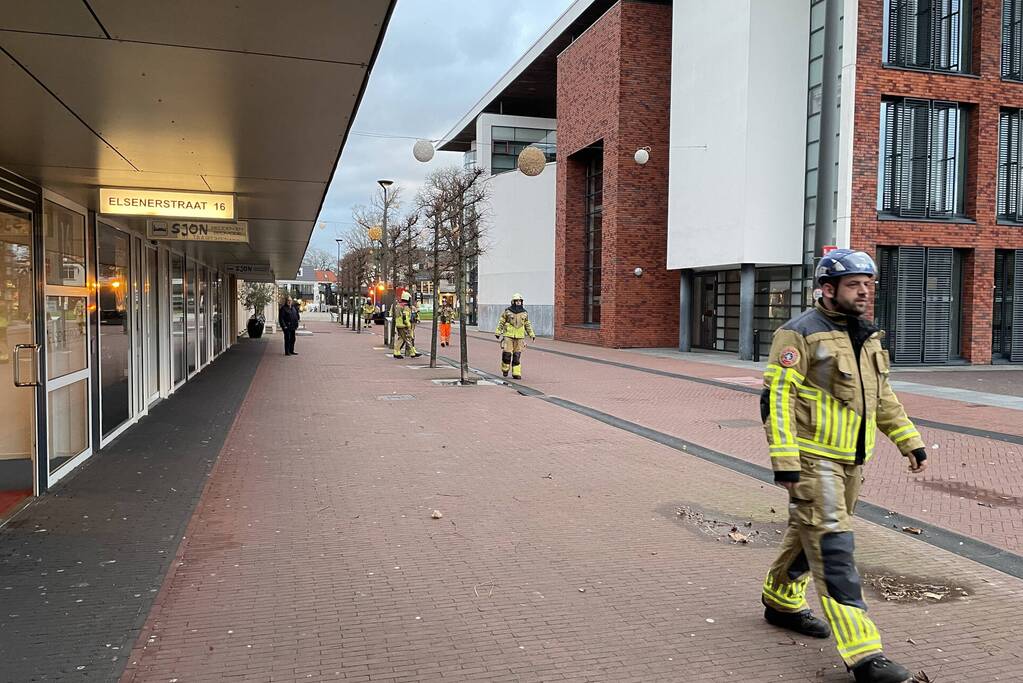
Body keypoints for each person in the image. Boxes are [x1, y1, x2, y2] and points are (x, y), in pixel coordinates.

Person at [759, 249, 929, 683]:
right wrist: (785, 460)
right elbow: (777, 400)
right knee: (834, 546)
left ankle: (780, 599)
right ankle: (864, 653)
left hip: (852, 461)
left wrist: (908, 439)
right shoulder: (798, 334)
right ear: (828, 289)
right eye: (856, 285)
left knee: (810, 530)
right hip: (813, 459)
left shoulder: (867, 336)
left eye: (869, 285)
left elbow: (881, 397)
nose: (865, 292)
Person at [495, 293, 535, 379]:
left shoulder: (524, 313)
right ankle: (505, 369)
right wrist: (498, 332)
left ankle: (516, 373)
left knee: (517, 355)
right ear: (513, 302)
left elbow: (527, 324)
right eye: (516, 301)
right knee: (507, 354)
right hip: (508, 335)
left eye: (520, 301)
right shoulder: (507, 311)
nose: (518, 302)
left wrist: (531, 334)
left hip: (519, 336)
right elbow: (501, 321)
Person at [392, 291, 421, 359]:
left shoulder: (398, 305)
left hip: (398, 324)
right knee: (407, 338)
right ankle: (412, 352)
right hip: (403, 325)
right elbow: (405, 316)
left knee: (401, 339)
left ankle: (397, 352)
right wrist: (408, 324)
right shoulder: (406, 307)